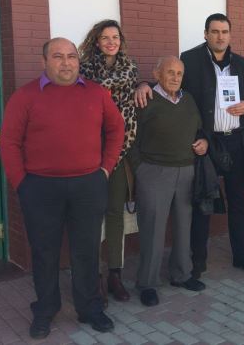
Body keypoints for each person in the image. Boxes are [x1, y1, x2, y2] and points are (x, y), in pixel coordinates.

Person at [0, 38, 124, 338]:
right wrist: (22, 183)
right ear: (45, 61)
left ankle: (89, 307)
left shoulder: (96, 93)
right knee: (44, 252)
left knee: (86, 250)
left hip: (87, 185)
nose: (66, 62)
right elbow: (10, 142)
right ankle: (45, 308)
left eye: (71, 56)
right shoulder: (25, 96)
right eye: (58, 56)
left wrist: (105, 169)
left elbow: (116, 128)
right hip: (40, 188)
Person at [135, 13, 244, 277]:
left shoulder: (241, 63)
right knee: (203, 201)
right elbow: (170, 84)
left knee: (239, 202)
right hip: (207, 141)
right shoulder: (190, 59)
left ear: (230, 35)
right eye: (214, 31)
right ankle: (198, 260)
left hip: (237, 141)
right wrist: (143, 84)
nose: (220, 36)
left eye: (224, 31)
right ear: (206, 34)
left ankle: (241, 255)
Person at [130, 56, 208, 307]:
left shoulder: (188, 100)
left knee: (184, 226)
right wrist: (140, 170)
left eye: (179, 73)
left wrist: (204, 142)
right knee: (153, 229)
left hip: (186, 170)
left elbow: (199, 129)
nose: (175, 77)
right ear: (156, 73)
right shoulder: (146, 99)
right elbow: (131, 138)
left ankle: (181, 274)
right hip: (154, 172)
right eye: (170, 72)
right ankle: (147, 283)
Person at [78, 19, 138, 304]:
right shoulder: (83, 71)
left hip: (119, 151)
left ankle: (115, 274)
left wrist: (144, 85)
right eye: (105, 37)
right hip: (88, 150)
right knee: (90, 215)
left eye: (115, 37)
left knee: (115, 214)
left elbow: (133, 105)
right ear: (96, 41)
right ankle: (94, 277)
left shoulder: (130, 69)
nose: (111, 42)